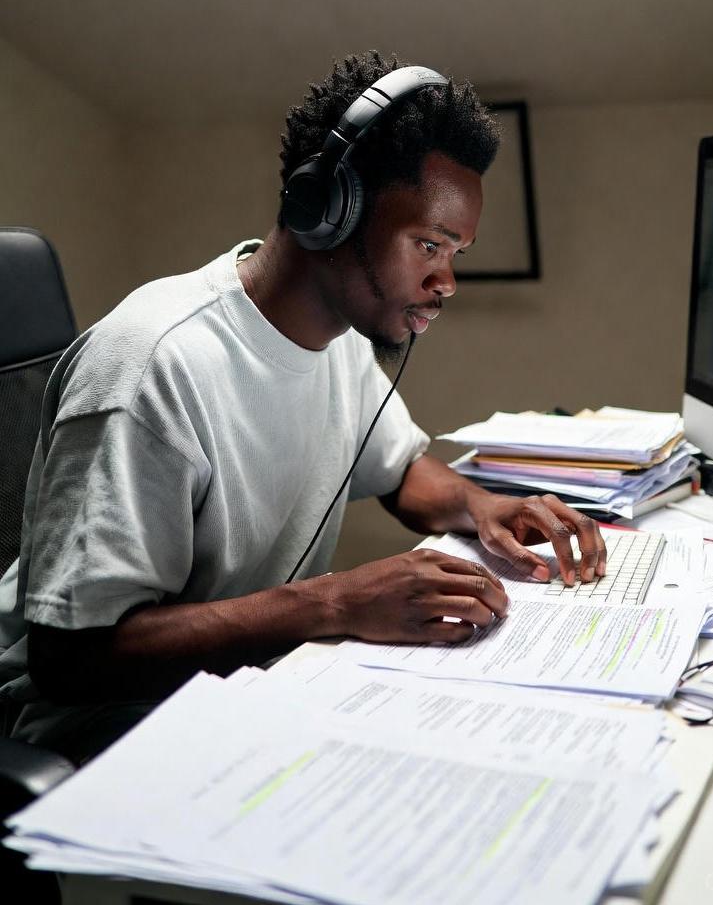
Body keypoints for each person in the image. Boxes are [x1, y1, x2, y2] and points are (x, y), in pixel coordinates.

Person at [0, 51, 606, 764]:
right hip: (102, 734)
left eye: (457, 253)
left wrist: (480, 506)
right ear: (328, 212)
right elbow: (72, 659)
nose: (445, 282)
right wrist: (335, 603)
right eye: (429, 244)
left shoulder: (341, 335)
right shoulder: (150, 368)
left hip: (240, 691)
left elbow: (400, 466)